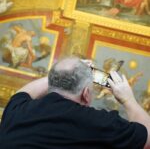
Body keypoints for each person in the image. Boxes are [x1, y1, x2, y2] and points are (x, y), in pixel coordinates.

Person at [0, 56, 150, 149]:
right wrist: (128, 99)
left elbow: (23, 92)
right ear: (86, 94)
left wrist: (60, 75)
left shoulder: (18, 110)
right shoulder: (100, 123)